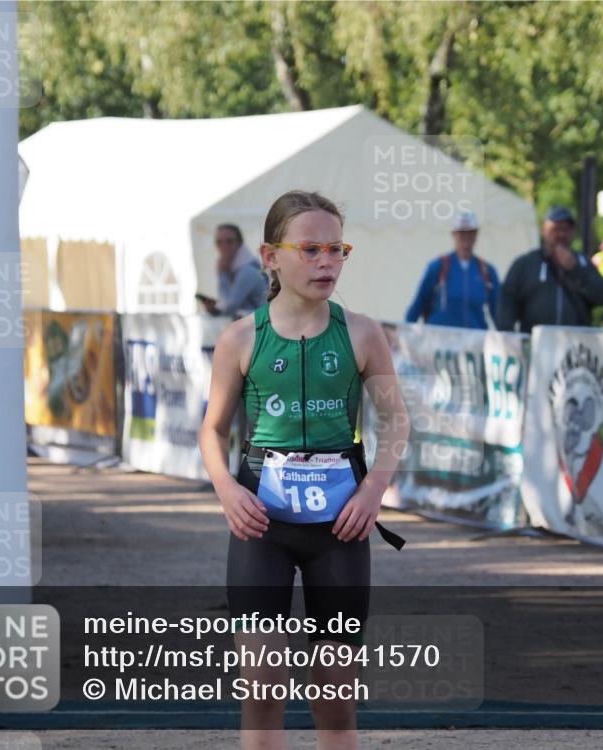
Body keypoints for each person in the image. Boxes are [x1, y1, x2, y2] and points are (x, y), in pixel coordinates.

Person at [198, 190, 409, 750]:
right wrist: (225, 488)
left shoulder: (362, 333)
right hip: (261, 526)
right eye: (310, 249)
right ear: (271, 257)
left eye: (336, 249)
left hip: (341, 528)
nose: (326, 262)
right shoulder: (240, 338)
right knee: (263, 690)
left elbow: (397, 423)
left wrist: (372, 493)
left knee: (335, 697)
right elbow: (212, 428)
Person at [496, 206, 603, 331]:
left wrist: (575, 270)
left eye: (566, 229)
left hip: (575, 345)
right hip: (537, 345)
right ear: (544, 230)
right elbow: (506, 308)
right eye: (556, 229)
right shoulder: (525, 264)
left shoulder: (583, 263)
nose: (561, 234)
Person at [404, 211, 500, 329]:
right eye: (461, 233)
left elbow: (498, 312)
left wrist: (509, 339)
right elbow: (419, 303)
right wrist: (404, 332)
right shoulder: (438, 266)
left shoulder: (487, 271)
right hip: (440, 341)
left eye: (470, 233)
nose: (466, 237)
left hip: (474, 343)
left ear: (476, 235)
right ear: (454, 234)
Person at [199, 223, 268, 317]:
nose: (224, 246)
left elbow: (228, 308)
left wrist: (222, 275)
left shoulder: (247, 271)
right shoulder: (238, 268)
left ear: (240, 243)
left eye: (229, 241)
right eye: (219, 242)